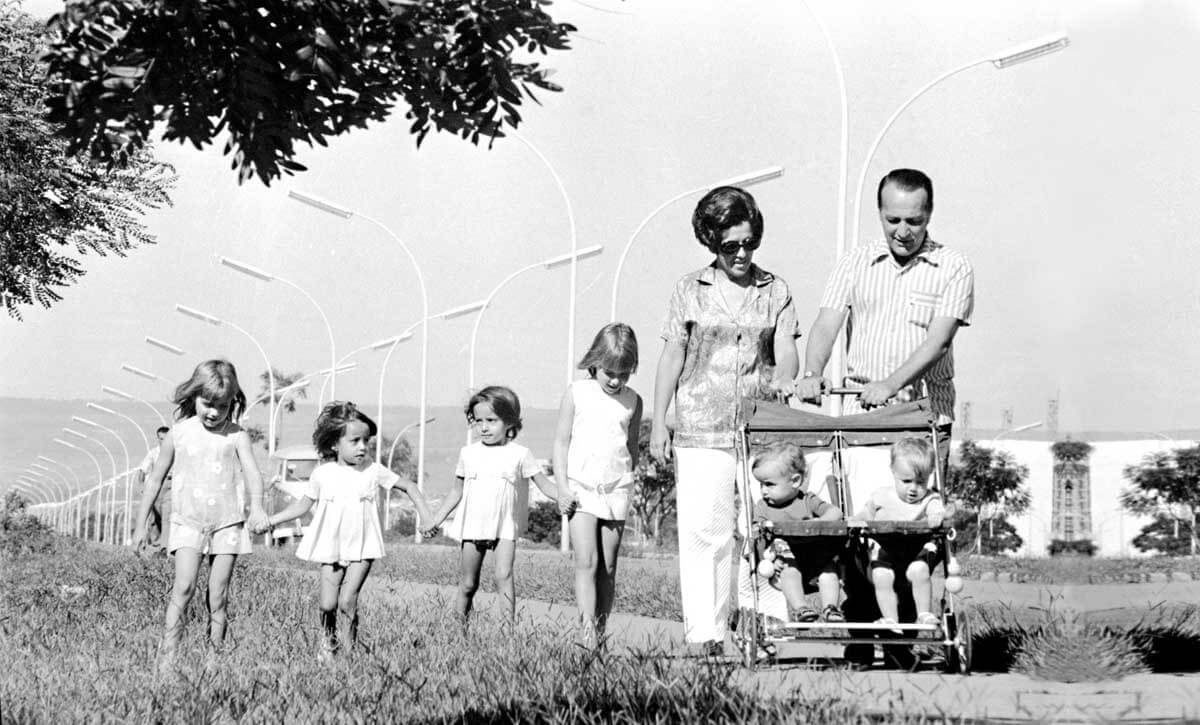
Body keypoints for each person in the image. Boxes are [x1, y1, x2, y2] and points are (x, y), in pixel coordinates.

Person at [650, 186, 800, 654]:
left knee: (763, 528)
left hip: (759, 430)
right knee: (705, 533)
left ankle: (766, 629)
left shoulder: (776, 289)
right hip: (699, 428)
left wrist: (785, 382)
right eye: (729, 245)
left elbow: (787, 352)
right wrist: (660, 421)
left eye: (749, 242)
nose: (741, 253)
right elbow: (672, 354)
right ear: (711, 242)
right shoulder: (687, 290)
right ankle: (706, 634)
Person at [796, 168, 974, 482]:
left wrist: (889, 386)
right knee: (860, 517)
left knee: (916, 519)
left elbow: (939, 342)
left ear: (929, 215)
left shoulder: (954, 266)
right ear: (880, 214)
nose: (903, 232)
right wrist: (812, 372)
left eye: (913, 221)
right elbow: (826, 323)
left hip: (923, 420)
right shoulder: (854, 262)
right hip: (861, 418)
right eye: (893, 221)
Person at [253, 402, 436, 657]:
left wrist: (427, 517)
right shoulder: (322, 474)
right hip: (331, 545)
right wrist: (270, 521)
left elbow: (410, 487)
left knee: (347, 601)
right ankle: (329, 643)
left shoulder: (374, 470)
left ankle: (349, 659)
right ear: (335, 444)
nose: (362, 447)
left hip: (364, 545)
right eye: (355, 441)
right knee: (327, 604)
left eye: (366, 441)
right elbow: (302, 506)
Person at [132, 359, 268, 668]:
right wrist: (140, 526)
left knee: (217, 595)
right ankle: (166, 661)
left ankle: (213, 661)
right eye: (208, 403)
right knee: (184, 586)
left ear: (232, 402)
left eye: (222, 405)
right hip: (187, 521)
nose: (213, 412)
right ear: (194, 396)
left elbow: (253, 474)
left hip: (227, 523)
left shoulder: (237, 436)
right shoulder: (178, 434)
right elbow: (155, 479)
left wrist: (257, 506)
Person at [427, 386, 575, 621]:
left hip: (505, 526)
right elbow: (456, 493)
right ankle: (457, 631)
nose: (483, 427)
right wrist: (436, 519)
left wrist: (566, 496)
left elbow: (545, 485)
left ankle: (508, 633)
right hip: (472, 527)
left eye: (492, 420)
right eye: (478, 421)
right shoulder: (468, 453)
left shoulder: (520, 454)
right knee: (468, 583)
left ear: (509, 421)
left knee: (504, 576)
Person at [553, 322, 643, 642]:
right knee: (587, 562)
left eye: (624, 373)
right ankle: (587, 634)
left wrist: (630, 481)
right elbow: (561, 443)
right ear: (595, 362)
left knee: (608, 568)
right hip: (580, 488)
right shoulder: (576, 393)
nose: (616, 380)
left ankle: (601, 633)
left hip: (616, 488)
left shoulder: (633, 401)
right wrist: (562, 488)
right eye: (609, 372)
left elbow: (630, 449)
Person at [854, 437, 952, 631]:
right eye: (906, 481)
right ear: (893, 472)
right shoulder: (881, 496)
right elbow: (865, 514)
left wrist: (936, 516)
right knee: (882, 575)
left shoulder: (930, 499)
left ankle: (924, 613)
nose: (913, 489)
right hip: (886, 551)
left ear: (930, 476)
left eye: (921, 482)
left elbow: (936, 510)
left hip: (916, 552)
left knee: (919, 571)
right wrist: (856, 520)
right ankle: (890, 618)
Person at [748, 441, 845, 624]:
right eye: (761, 484)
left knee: (829, 570)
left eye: (769, 484)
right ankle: (801, 608)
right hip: (786, 562)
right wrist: (764, 559)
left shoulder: (808, 500)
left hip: (815, 558)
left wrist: (819, 521)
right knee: (789, 569)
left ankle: (831, 608)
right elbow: (758, 535)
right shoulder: (763, 508)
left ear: (795, 481)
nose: (763, 491)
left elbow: (836, 513)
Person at [132, 425, 170, 548]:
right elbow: (142, 470)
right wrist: (142, 484)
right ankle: (156, 544)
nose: (163, 441)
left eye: (166, 438)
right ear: (157, 439)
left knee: (167, 516)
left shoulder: (175, 452)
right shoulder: (154, 453)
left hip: (170, 486)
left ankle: (165, 547)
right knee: (155, 518)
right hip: (156, 488)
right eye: (161, 438)